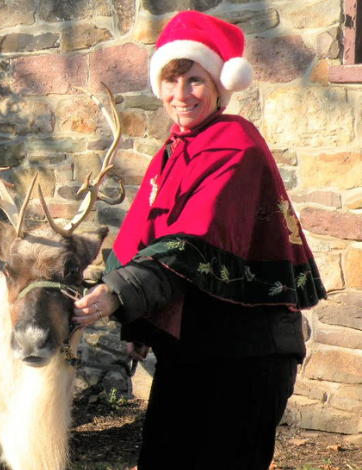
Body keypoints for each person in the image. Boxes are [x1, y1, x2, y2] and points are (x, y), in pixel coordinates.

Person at [72, 11, 326, 470]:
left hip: (247, 355)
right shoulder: (173, 152)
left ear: (218, 84)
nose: (180, 95)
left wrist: (115, 296)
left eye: (194, 80)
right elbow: (143, 237)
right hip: (193, 351)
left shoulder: (237, 147)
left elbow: (189, 246)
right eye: (170, 82)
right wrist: (141, 327)